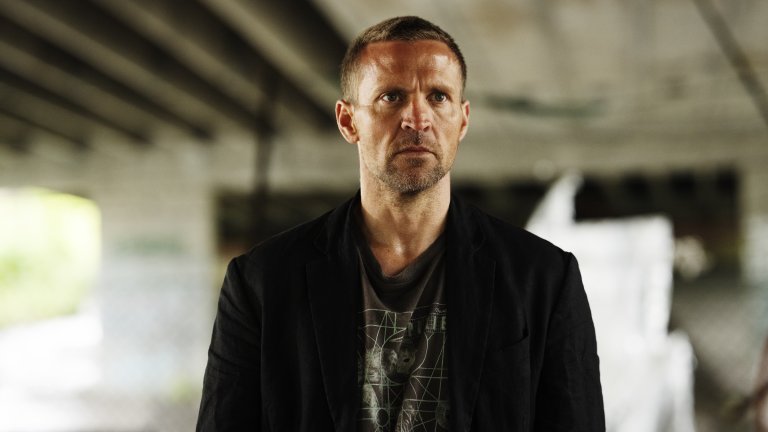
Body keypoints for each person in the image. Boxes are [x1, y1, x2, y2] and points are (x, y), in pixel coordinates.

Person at [197, 16, 605, 431]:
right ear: (348, 121)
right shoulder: (262, 283)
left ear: (463, 120)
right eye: (391, 96)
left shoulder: (543, 279)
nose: (417, 117)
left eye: (438, 96)